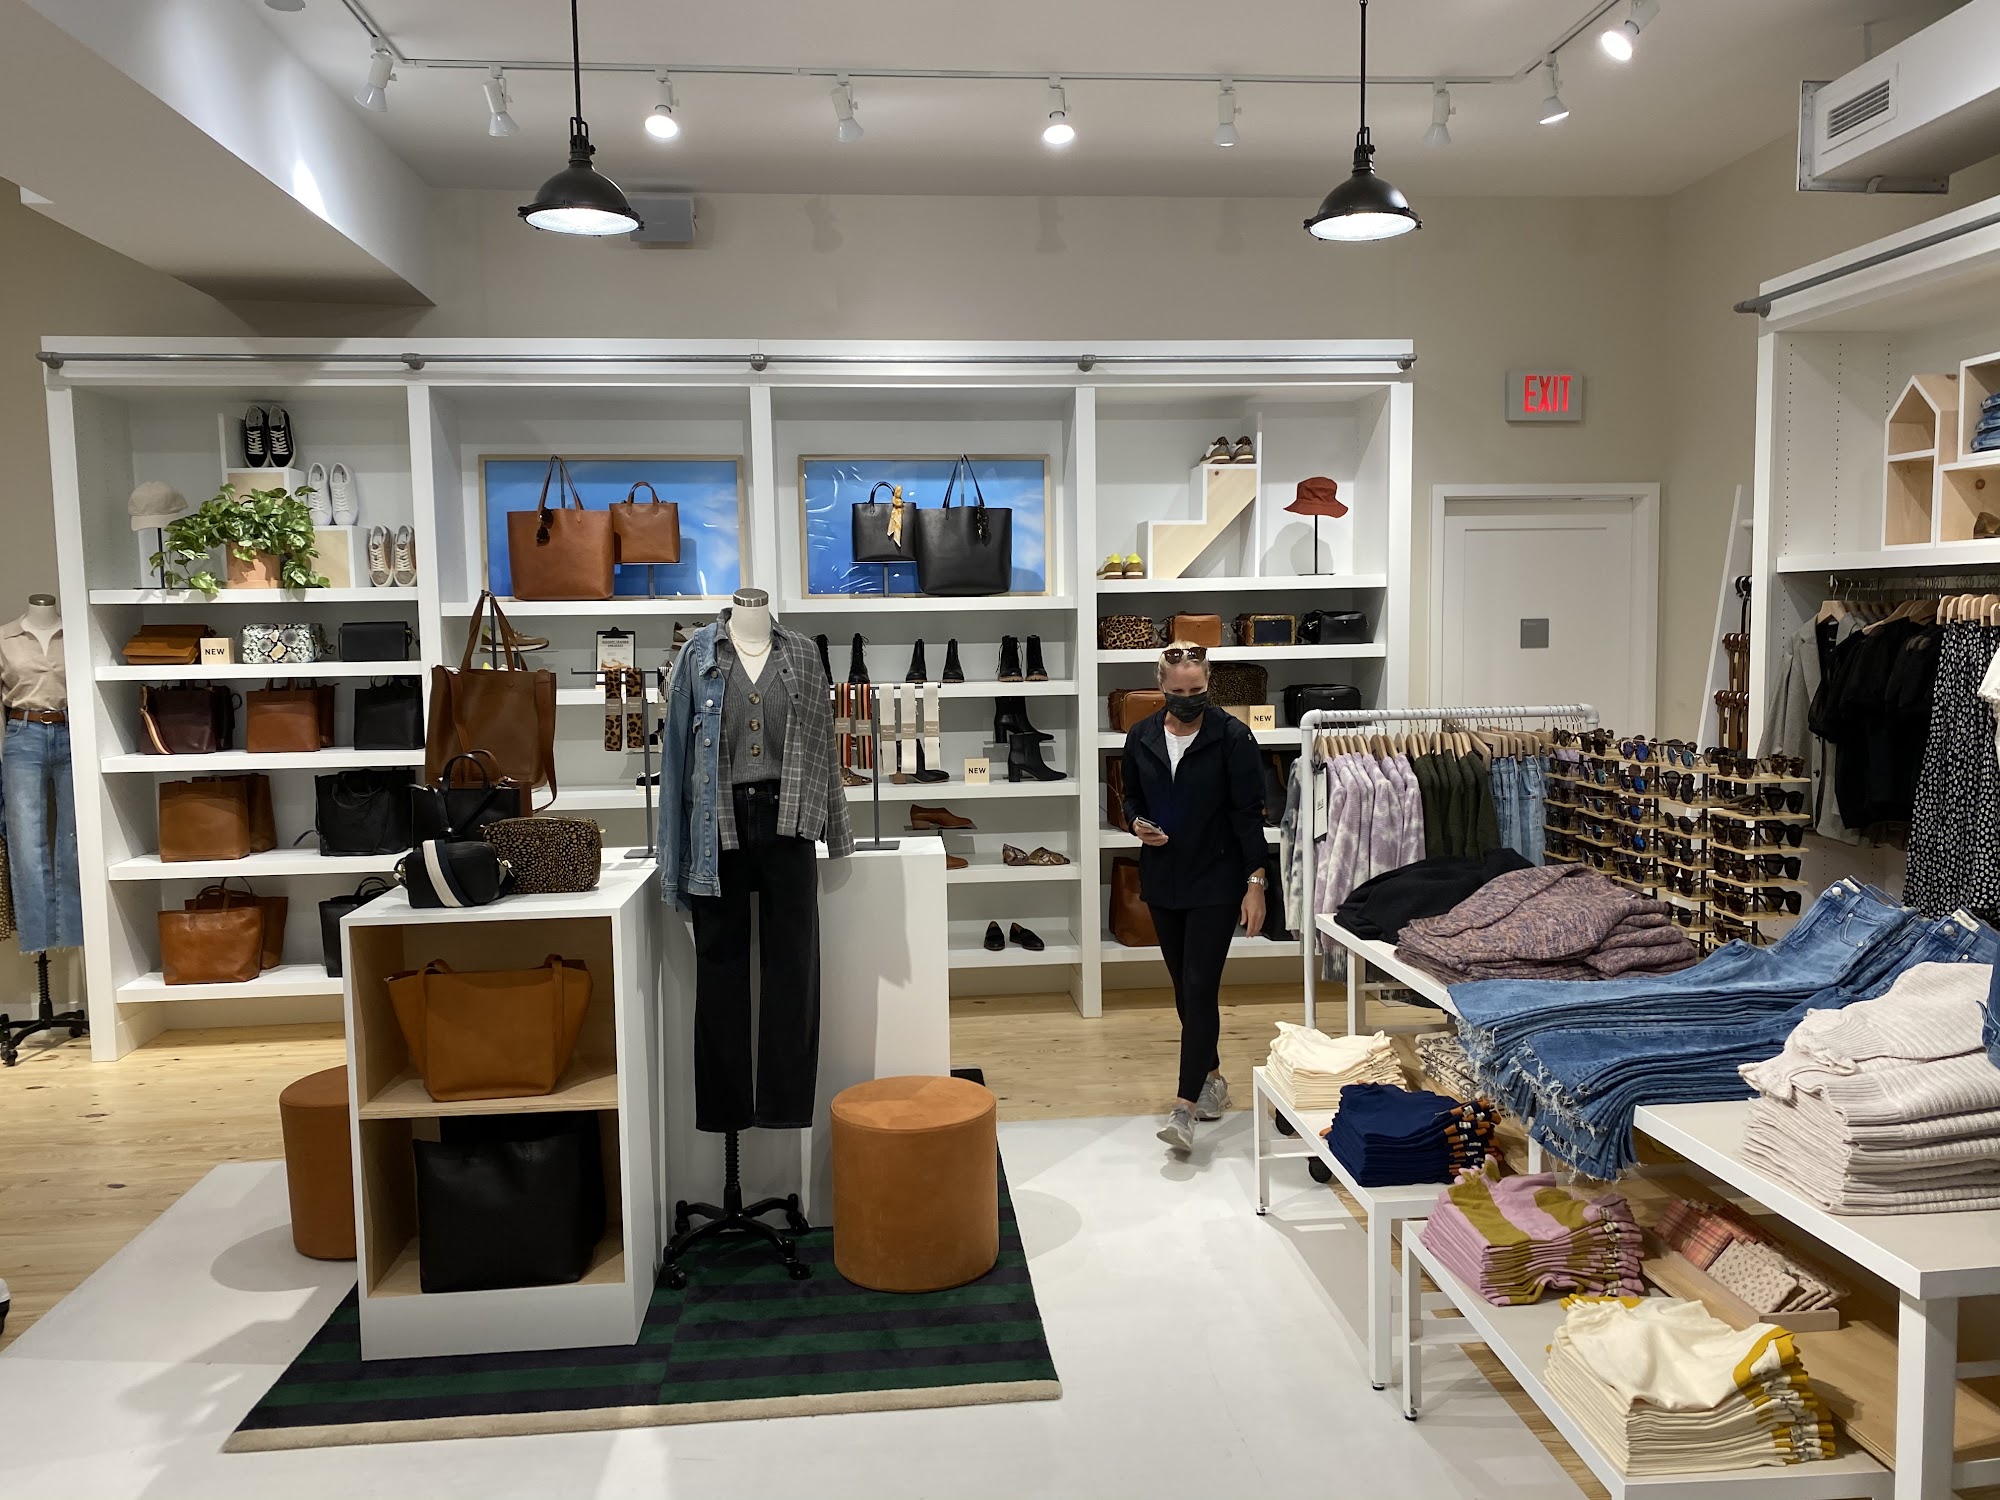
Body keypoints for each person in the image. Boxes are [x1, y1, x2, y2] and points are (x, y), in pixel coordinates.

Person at [1120, 641, 1269, 1155]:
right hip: (1163, 877)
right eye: (1179, 691)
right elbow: (1130, 797)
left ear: (1209, 685)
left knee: (1201, 985)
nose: (1188, 699)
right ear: (1161, 687)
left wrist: (1255, 883)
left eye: (1197, 689)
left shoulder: (1233, 736)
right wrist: (1136, 825)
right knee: (1184, 989)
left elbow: (1248, 812)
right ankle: (1212, 1077)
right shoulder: (1141, 736)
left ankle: (1184, 1108)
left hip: (1217, 879)